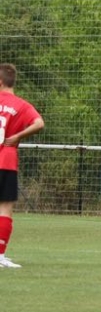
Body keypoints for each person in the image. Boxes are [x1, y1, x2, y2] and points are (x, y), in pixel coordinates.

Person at [0, 64, 45, 269]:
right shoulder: (21, 105)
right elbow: (39, 123)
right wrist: (18, 136)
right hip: (7, 160)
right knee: (5, 208)